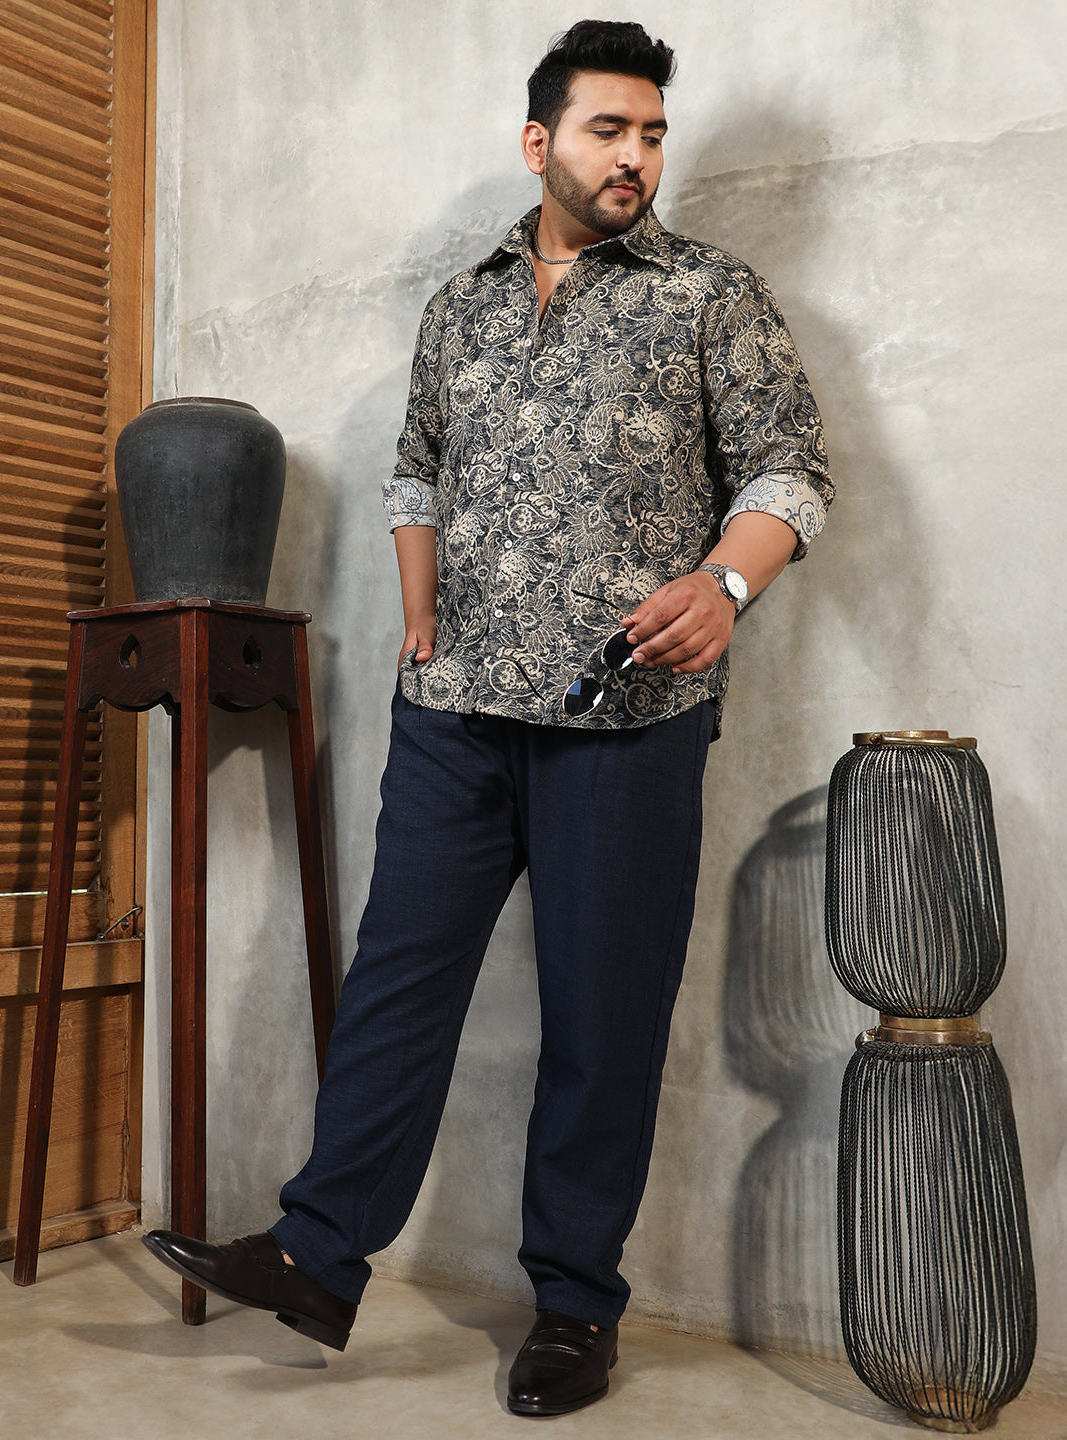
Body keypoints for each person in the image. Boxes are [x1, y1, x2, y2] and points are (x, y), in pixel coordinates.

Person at [144, 19, 832, 1418]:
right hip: (454, 711)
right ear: (539, 143)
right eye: (607, 130)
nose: (635, 156)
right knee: (398, 989)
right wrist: (420, 606)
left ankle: (574, 1305)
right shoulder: (458, 307)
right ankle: (318, 1254)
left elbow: (792, 470)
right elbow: (416, 468)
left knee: (600, 1025)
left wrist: (725, 584)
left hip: (627, 714)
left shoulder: (711, 295)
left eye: (651, 133)